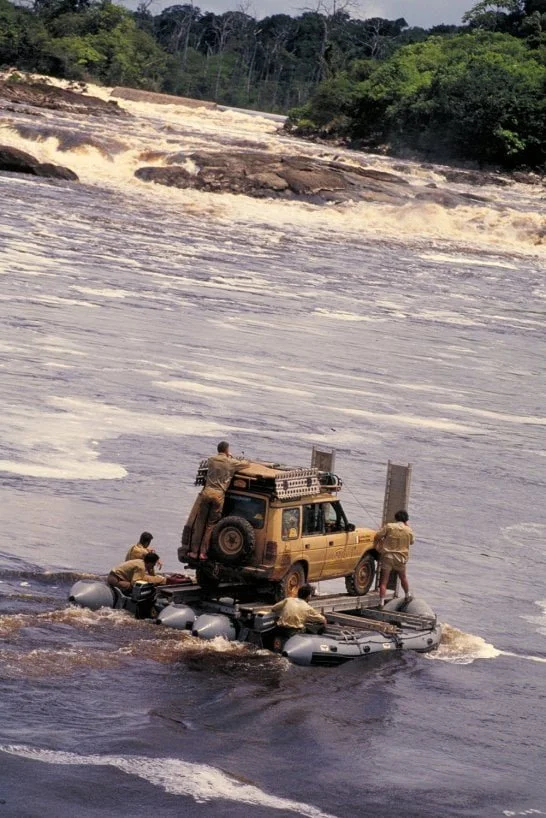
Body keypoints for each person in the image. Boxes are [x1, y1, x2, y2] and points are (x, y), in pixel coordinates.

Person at [186, 441, 250, 559]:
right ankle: (203, 553)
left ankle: (194, 552)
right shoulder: (230, 462)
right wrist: (230, 457)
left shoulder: (211, 460)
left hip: (206, 493)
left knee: (200, 523)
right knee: (211, 524)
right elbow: (246, 464)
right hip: (218, 495)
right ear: (227, 450)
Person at [374, 510, 414, 607]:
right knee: (403, 577)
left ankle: (381, 602)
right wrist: (407, 527)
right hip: (401, 558)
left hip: (388, 557)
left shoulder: (389, 526)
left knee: (384, 581)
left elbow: (377, 536)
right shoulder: (408, 530)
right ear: (406, 520)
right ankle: (407, 595)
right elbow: (412, 542)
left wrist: (381, 541)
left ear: (396, 518)